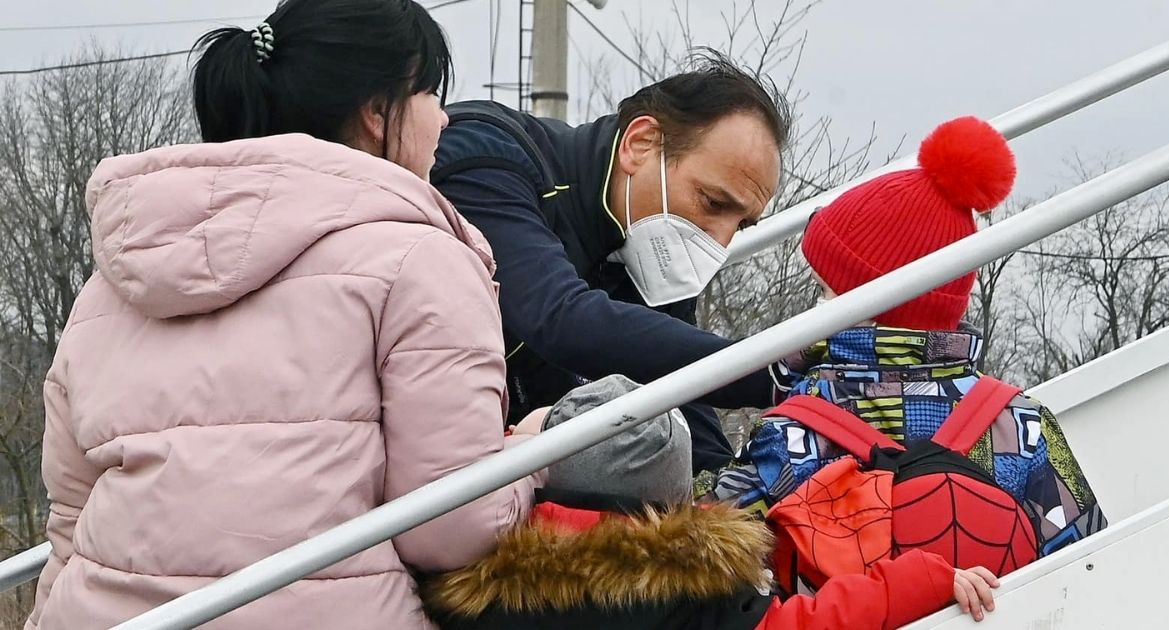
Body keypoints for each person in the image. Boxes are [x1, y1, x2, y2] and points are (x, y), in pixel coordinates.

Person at [26, 1, 542, 628]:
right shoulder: (420, 260)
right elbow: (450, 526)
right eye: (432, 94)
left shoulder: (109, 286)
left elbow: (71, 518)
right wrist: (534, 457)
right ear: (379, 112)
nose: (445, 118)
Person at [709, 117, 1106, 578]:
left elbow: (713, 546)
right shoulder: (1021, 423)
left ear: (871, 305)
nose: (815, 307)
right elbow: (1089, 562)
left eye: (825, 290)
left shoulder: (801, 425)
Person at [432, 53, 793, 473]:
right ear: (640, 144)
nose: (721, 238)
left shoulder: (644, 250)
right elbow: (560, 318)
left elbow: (682, 399)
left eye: (742, 224)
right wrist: (775, 370)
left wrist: (728, 489)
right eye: (712, 202)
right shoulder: (489, 154)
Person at [422, 375, 1002, 630]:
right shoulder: (688, 587)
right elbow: (812, 624)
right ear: (675, 503)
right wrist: (923, 578)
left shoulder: (464, 573)